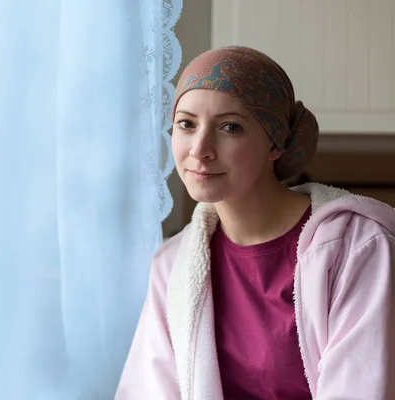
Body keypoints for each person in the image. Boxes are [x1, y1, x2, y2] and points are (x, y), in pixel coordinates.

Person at [115, 46, 395, 399]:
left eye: (230, 127)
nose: (200, 149)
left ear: (275, 142)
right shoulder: (172, 266)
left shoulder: (357, 248)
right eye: (186, 124)